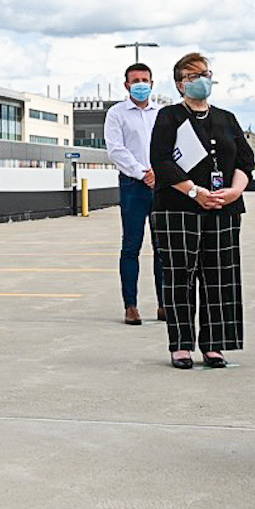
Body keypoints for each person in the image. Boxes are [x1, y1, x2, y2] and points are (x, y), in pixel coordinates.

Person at [147, 50, 255, 369]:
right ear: (180, 84)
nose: (201, 81)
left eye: (205, 74)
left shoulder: (227, 118)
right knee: (181, 275)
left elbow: (246, 161)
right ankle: (181, 345)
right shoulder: (169, 116)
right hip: (178, 207)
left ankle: (214, 345)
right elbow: (161, 161)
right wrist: (194, 191)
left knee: (219, 276)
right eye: (193, 76)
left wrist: (235, 191)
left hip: (223, 208)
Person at [103, 62, 164, 326]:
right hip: (133, 186)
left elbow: (171, 148)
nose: (140, 84)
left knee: (164, 248)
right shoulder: (117, 114)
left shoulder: (162, 114)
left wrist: (160, 174)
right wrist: (143, 173)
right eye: (135, 80)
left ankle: (165, 304)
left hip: (163, 186)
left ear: (152, 83)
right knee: (131, 246)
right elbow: (116, 150)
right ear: (126, 85)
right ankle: (131, 305)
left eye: (145, 80)